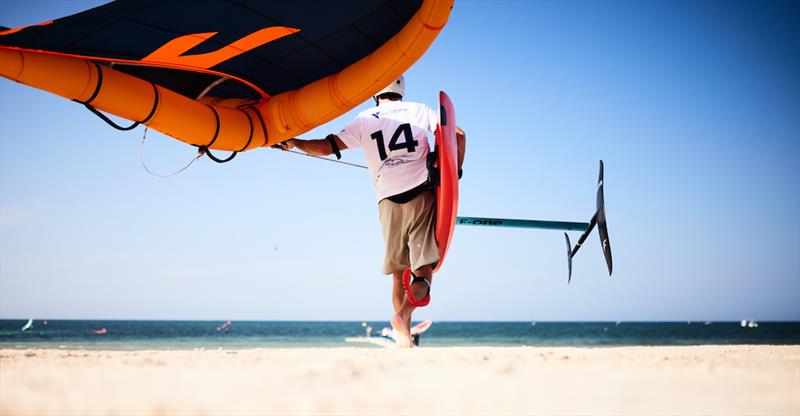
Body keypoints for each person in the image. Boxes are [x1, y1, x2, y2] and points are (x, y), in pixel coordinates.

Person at [274, 76, 465, 347]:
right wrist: (452, 173)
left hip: (386, 202)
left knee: (399, 274)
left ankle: (404, 339)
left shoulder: (364, 119)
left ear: (375, 94)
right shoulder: (420, 111)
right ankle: (402, 316)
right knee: (422, 273)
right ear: (401, 91)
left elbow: (326, 147)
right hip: (420, 196)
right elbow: (457, 134)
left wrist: (294, 142)